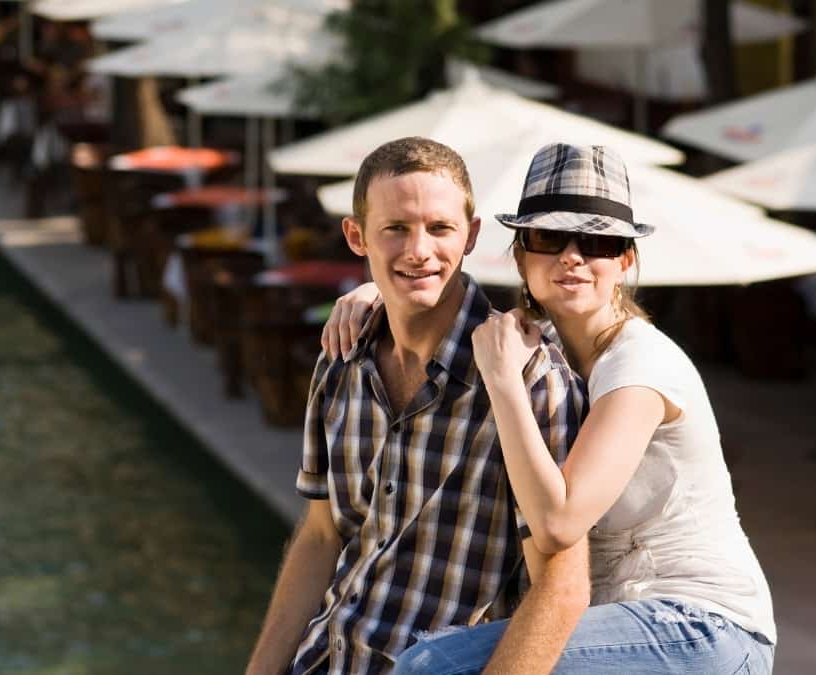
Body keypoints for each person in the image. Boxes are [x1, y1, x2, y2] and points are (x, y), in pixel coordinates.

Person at [322, 143, 777, 673]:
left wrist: (502, 382)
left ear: (625, 259)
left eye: (597, 241)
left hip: (703, 627)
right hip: (626, 620)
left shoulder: (640, 364)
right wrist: (374, 295)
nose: (572, 256)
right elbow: (434, 297)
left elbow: (559, 523)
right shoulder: (550, 349)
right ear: (519, 254)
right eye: (549, 237)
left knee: (433, 666)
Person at [245, 137, 590, 675]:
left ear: (471, 236)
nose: (419, 251)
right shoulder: (340, 362)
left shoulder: (529, 379)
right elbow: (320, 535)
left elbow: (561, 585)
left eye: (440, 228)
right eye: (396, 229)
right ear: (357, 236)